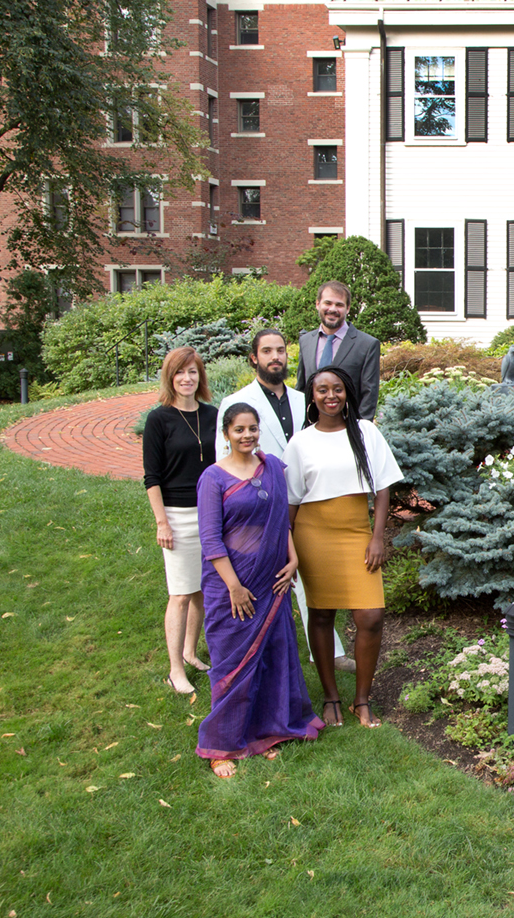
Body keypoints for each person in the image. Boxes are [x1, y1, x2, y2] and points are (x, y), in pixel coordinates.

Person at [196, 404, 323, 777]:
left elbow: (281, 522)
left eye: (253, 429)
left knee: (271, 658)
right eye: (239, 430)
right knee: (232, 665)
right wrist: (234, 586)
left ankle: (267, 731)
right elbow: (210, 540)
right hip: (231, 587)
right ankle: (223, 745)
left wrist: (294, 559)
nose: (248, 436)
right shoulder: (214, 477)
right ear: (226, 434)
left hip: (272, 580)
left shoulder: (271, 469)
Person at [215, 329, 352, 674]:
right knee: (267, 578)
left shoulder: (301, 399)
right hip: (260, 506)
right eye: (267, 351)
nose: (275, 357)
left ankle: (329, 651)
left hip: (308, 499)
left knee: (310, 576)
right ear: (254, 358)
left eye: (280, 351)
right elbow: (224, 462)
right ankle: (256, 651)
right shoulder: (235, 403)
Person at [283, 366, 403, 729]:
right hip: (312, 533)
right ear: (312, 396)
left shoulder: (365, 432)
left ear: (347, 393)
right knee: (320, 614)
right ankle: (331, 696)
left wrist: (377, 536)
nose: (330, 395)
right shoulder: (300, 442)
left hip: (356, 530)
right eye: (322, 390)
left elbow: (382, 488)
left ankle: (361, 700)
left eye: (337, 388)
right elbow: (290, 501)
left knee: (370, 616)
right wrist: (286, 550)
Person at [143, 347, 217, 696]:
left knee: (203, 591)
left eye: (193, 372)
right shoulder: (159, 420)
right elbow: (151, 477)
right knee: (181, 595)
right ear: (170, 378)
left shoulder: (214, 415)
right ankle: (175, 669)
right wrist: (162, 522)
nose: (187, 378)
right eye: (180, 373)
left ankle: (190, 652)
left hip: (212, 514)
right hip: (177, 516)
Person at [295, 281, 382, 420]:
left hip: (348, 429)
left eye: (339, 305)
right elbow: (301, 389)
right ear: (318, 304)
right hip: (312, 429)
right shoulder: (306, 341)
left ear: (347, 308)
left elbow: (369, 396)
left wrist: (359, 432)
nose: (333, 309)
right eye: (328, 303)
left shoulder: (367, 345)